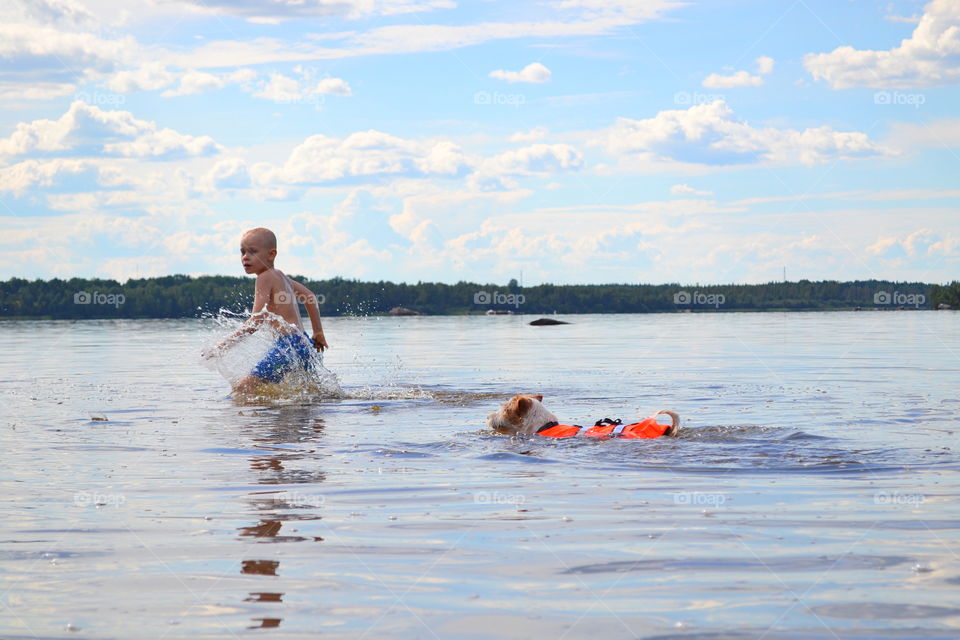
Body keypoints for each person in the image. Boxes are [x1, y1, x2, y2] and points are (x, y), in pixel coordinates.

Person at [209, 227, 329, 395]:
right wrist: (318, 332)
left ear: (271, 254)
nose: (245, 257)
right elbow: (310, 297)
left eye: (252, 252)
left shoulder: (264, 277)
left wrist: (222, 345)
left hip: (289, 347)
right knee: (304, 394)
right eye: (242, 252)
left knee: (242, 390)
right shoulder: (281, 276)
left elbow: (256, 320)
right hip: (303, 344)